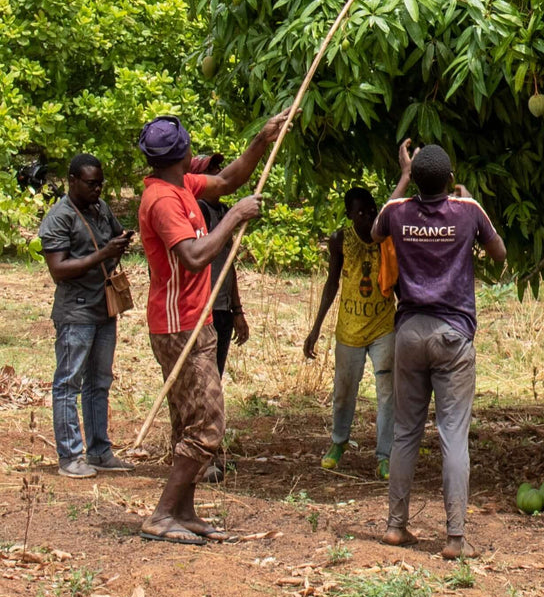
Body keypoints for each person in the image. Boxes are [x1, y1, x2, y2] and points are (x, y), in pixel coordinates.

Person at [136, 110, 288, 545]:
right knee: (207, 426)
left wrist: (261, 140)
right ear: (183, 152)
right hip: (178, 325)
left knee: (189, 421)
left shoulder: (179, 184)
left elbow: (226, 182)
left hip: (192, 319)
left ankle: (183, 512)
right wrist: (235, 217)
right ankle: (162, 513)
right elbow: (195, 255)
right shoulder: (163, 200)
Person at [372, 143, 505, 560]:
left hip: (409, 333)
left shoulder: (398, 212)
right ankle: (454, 538)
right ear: (450, 180)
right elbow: (499, 254)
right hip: (453, 335)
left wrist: (404, 175)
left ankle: (396, 526)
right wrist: (467, 207)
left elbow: (378, 229)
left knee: (405, 432)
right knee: (453, 436)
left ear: (415, 179)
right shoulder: (469, 211)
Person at [303, 142, 413, 480]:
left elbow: (398, 280)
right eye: (360, 212)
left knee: (387, 394)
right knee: (343, 391)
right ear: (349, 214)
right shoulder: (340, 240)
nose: (366, 217)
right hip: (349, 328)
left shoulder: (386, 236)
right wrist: (316, 327)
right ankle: (339, 442)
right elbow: (331, 283)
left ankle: (384, 455)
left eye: (371, 211)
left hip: (383, 326)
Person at [39, 154, 135, 478]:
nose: (97, 189)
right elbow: (58, 269)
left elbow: (114, 235)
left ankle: (99, 451)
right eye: (91, 184)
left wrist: (121, 241)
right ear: (72, 180)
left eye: (100, 184)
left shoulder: (101, 207)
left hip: (103, 308)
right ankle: (70, 456)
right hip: (76, 311)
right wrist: (102, 254)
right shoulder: (59, 217)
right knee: (69, 383)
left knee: (99, 382)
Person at [191, 154, 249, 378]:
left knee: (216, 374)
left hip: (222, 307)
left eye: (218, 167)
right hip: (203, 309)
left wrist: (237, 310)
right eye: (211, 170)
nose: (218, 173)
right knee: (202, 377)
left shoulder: (224, 212)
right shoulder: (198, 212)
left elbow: (228, 264)